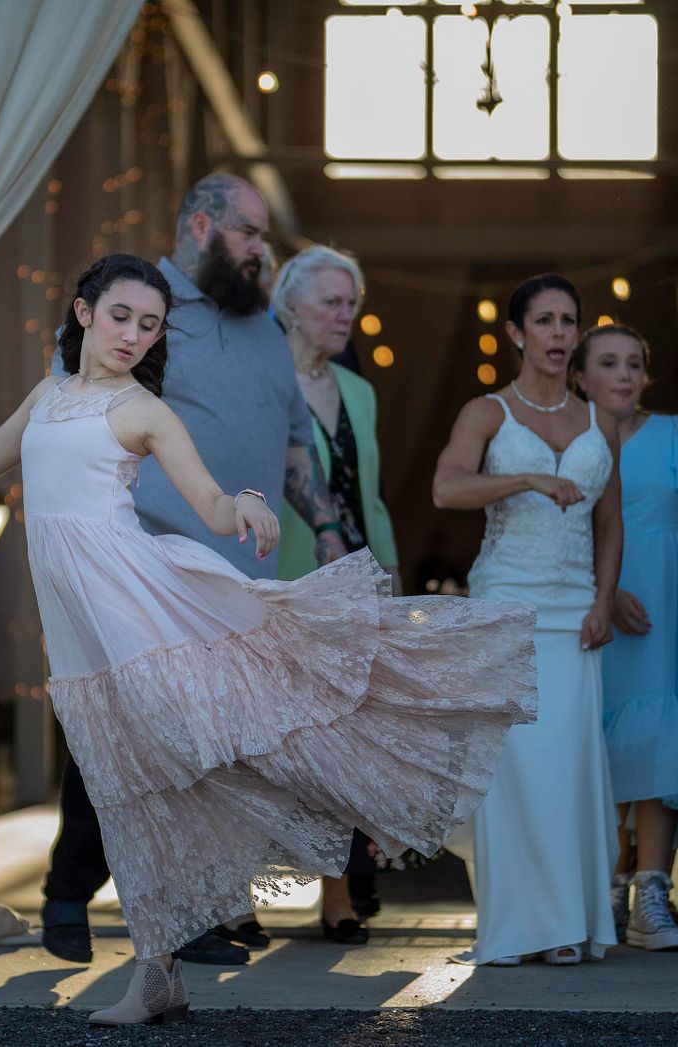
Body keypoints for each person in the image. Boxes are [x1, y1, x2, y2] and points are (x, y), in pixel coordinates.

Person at [0, 254, 538, 1024]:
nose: (133, 334)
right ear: (83, 313)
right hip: (81, 639)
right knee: (118, 788)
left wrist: (249, 504)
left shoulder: (143, 410)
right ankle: (157, 968)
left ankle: (383, 771)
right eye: (121, 317)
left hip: (141, 613)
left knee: (210, 756)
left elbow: (208, 502)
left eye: (149, 324)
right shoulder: (47, 396)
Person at [41, 174, 350, 968]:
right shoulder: (136, 307)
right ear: (202, 224)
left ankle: (202, 906)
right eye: (249, 233)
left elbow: (290, 444)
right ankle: (71, 892)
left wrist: (322, 526)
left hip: (228, 583)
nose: (260, 250)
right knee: (119, 739)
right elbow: (70, 413)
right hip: (135, 566)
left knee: (213, 747)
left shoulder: (264, 330)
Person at [435, 274, 622, 966]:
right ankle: (515, 925)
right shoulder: (487, 413)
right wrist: (527, 478)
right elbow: (446, 486)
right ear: (517, 332)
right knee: (511, 769)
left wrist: (604, 600)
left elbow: (611, 518)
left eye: (568, 321)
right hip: (506, 604)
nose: (558, 333)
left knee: (566, 767)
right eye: (544, 321)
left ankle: (568, 922)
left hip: (575, 613)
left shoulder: (599, 418)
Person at [571, 324, 678, 951]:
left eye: (635, 364)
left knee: (665, 738)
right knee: (609, 744)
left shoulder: (675, 434)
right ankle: (610, 886)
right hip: (598, 605)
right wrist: (603, 593)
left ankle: (652, 894)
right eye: (609, 364)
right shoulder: (571, 437)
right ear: (581, 376)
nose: (624, 375)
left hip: (673, 601)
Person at [271, 245, 401, 942]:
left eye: (352, 302)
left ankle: (339, 896)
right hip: (280, 586)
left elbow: (367, 493)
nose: (346, 314)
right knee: (267, 742)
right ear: (289, 305)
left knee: (345, 743)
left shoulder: (361, 391)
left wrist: (390, 571)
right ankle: (239, 899)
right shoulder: (263, 383)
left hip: (354, 584)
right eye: (331, 301)